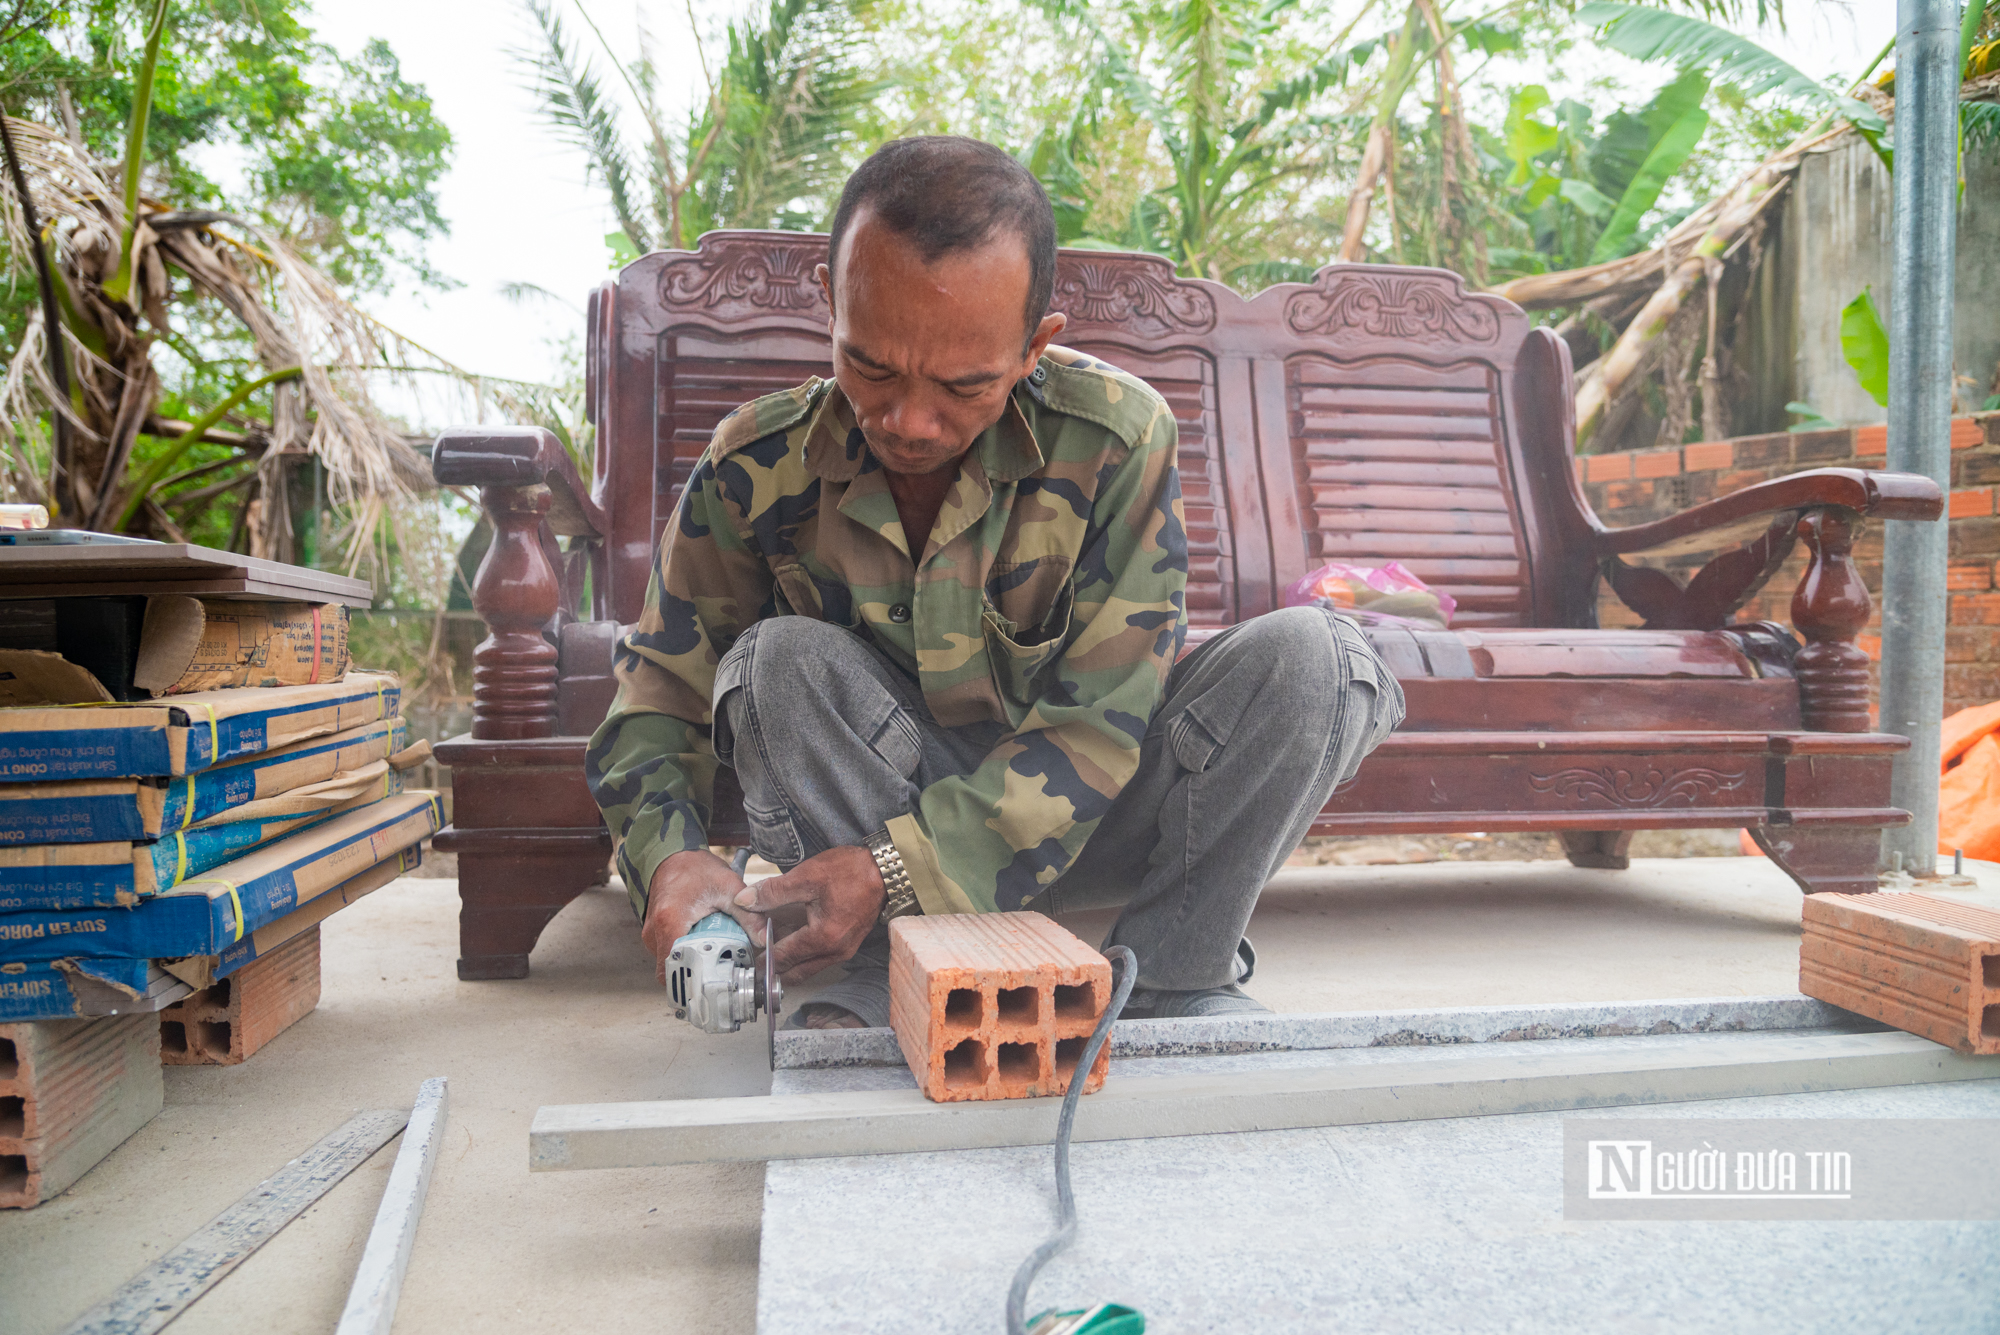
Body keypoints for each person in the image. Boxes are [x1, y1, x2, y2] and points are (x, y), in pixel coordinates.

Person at [586, 135, 1403, 1029]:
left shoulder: (1118, 440)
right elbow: (657, 698)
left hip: (1092, 815)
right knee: (777, 661)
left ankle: (1173, 970)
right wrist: (668, 858)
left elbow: (1098, 726)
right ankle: (882, 968)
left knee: (1321, 656)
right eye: (869, 365)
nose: (908, 420)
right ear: (830, 302)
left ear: (1033, 346)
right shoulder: (753, 463)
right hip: (873, 829)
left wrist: (895, 869)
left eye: (964, 384)